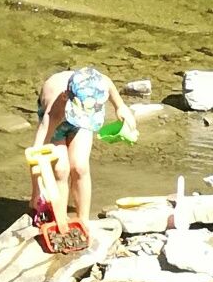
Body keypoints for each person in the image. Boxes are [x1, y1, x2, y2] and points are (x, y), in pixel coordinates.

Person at [31, 66, 138, 229]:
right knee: (60, 170)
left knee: (80, 167)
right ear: (65, 96)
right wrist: (37, 190)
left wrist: (120, 106)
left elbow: (107, 83)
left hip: (83, 118)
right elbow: (37, 152)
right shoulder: (55, 108)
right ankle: (60, 222)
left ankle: (83, 220)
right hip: (58, 123)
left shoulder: (97, 84)